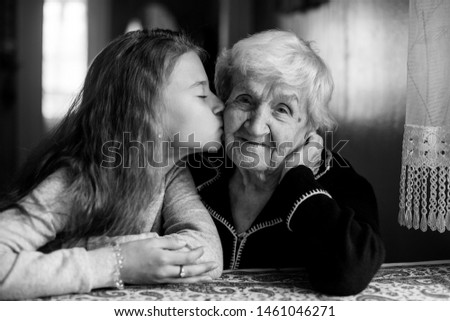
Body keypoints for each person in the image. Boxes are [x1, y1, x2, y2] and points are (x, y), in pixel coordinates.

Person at [0, 29, 224, 300]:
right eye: (202, 95)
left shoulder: (172, 173)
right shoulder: (81, 180)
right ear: (147, 109)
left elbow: (208, 254)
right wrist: (119, 262)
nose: (219, 105)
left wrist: (140, 258)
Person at [188, 30, 385, 296]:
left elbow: (349, 275)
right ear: (224, 103)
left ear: (310, 128)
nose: (256, 127)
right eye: (245, 100)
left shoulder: (341, 183)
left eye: (282, 109)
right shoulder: (196, 169)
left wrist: (298, 180)